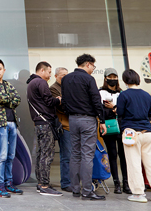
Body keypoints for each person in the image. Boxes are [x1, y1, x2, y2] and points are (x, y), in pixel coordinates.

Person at [61, 53, 106, 201]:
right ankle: (87, 191)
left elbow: (65, 101)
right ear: (87, 64)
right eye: (93, 66)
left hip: (72, 120)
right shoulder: (88, 79)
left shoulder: (66, 78)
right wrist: (102, 120)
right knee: (87, 155)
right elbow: (95, 100)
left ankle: (75, 189)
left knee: (75, 154)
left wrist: (70, 114)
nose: (93, 69)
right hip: (87, 120)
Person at [116, 69, 151, 203]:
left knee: (133, 163)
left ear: (125, 81)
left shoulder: (123, 95)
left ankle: (138, 193)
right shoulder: (147, 95)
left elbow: (120, 113)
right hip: (147, 133)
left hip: (131, 133)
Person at [0, 58, 22, 198]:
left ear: (4, 70)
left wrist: (7, 99)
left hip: (12, 123)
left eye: (0, 68)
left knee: (11, 156)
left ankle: (8, 183)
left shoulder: (8, 84)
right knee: (1, 156)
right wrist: (9, 99)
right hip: (0, 123)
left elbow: (17, 99)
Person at [26, 61, 62, 196]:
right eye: (49, 71)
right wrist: (58, 100)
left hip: (38, 123)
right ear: (42, 70)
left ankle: (40, 183)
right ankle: (45, 185)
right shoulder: (40, 83)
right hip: (46, 123)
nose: (50, 75)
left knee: (41, 154)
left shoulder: (30, 84)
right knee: (47, 154)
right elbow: (48, 101)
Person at [98, 67, 129, 194]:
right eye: (109, 77)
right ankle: (116, 183)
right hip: (109, 126)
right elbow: (100, 110)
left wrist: (115, 108)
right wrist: (113, 110)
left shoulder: (122, 93)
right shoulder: (100, 92)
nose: (112, 80)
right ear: (105, 78)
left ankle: (126, 183)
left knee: (124, 155)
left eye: (114, 77)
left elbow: (126, 109)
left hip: (122, 127)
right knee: (112, 154)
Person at [50, 66, 71, 192]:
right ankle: (66, 182)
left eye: (66, 75)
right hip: (64, 125)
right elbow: (61, 106)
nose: (65, 77)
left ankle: (72, 180)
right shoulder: (53, 89)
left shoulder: (68, 87)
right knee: (66, 155)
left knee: (74, 155)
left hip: (72, 124)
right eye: (63, 75)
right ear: (56, 76)